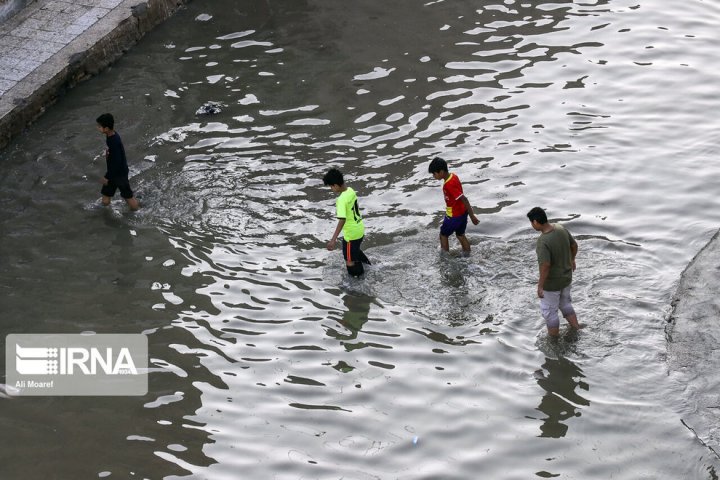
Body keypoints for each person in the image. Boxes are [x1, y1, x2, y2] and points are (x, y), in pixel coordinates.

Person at [527, 206, 581, 337]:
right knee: (566, 304)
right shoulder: (560, 228)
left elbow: (545, 265)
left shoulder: (543, 241)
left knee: (550, 312)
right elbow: (574, 245)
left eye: (531, 222)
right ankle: (576, 329)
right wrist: (572, 260)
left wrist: (540, 285)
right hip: (566, 278)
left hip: (552, 285)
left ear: (535, 222)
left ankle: (554, 342)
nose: (532, 225)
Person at [323, 168, 370, 277]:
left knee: (349, 260)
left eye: (330, 186)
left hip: (351, 234)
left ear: (335, 185)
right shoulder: (350, 190)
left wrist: (333, 240)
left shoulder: (341, 200)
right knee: (355, 250)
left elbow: (342, 220)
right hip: (359, 228)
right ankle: (369, 266)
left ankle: (358, 280)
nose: (331, 189)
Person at [428, 157, 479, 253]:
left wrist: (472, 216)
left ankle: (445, 258)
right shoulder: (454, 176)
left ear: (441, 172)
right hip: (463, 213)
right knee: (460, 235)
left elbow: (464, 199)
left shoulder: (448, 185)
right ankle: (468, 254)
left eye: (434, 174)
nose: (434, 176)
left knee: (443, 235)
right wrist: (469, 214)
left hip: (454, 216)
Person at [96, 113, 139, 211]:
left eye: (99, 126)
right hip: (114, 173)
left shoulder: (113, 141)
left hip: (119, 174)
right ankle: (103, 212)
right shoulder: (112, 135)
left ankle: (138, 211)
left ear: (106, 128)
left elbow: (117, 162)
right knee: (106, 195)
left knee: (128, 196)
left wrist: (107, 177)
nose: (97, 128)